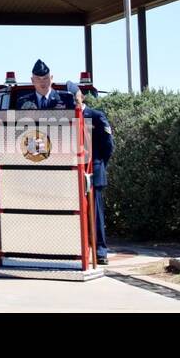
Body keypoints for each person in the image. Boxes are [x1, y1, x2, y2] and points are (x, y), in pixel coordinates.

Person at [83, 102, 114, 264]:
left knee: (95, 215)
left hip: (93, 172)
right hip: (74, 173)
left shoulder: (95, 115)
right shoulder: (67, 117)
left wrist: (100, 165)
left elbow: (108, 146)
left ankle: (100, 252)